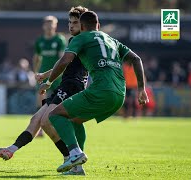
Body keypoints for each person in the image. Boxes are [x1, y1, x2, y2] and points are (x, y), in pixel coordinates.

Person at [39, 11, 149, 173]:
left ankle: (75, 153)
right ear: (98, 26)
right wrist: (141, 89)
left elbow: (65, 61)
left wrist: (48, 82)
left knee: (55, 115)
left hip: (101, 90)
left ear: (82, 27)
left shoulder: (81, 38)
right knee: (75, 120)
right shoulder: (112, 40)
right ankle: (77, 168)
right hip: (119, 94)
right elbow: (136, 59)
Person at [0, 6, 89, 175]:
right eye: (70, 22)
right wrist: (44, 75)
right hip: (65, 85)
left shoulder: (77, 41)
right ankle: (11, 149)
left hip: (72, 86)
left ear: (84, 24)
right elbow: (61, 63)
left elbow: (64, 64)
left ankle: (71, 158)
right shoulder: (78, 40)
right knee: (37, 119)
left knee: (47, 120)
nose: (71, 26)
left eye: (75, 23)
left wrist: (48, 79)